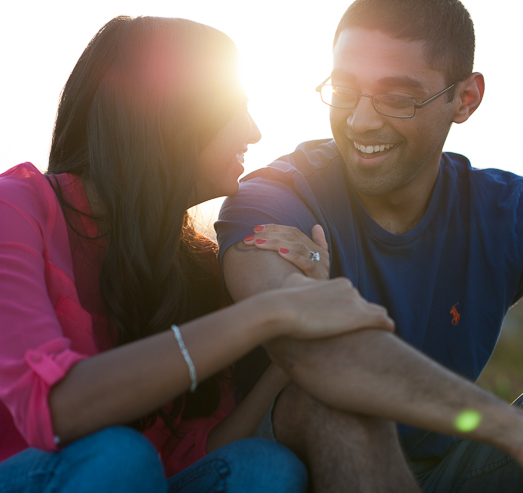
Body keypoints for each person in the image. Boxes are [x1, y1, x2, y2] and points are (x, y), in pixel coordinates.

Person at [215, 0, 523, 492]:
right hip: (297, 466)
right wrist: (517, 432)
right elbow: (314, 353)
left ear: (465, 99)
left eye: (398, 98)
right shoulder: (276, 199)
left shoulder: (508, 211)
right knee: (337, 405)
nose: (360, 121)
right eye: (345, 90)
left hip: (444, 473)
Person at [0, 15, 395, 493]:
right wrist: (266, 312)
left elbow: (198, 454)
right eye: (237, 106)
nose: (254, 130)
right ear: (169, 111)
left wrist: (291, 333)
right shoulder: (15, 210)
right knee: (120, 458)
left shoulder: (192, 267)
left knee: (265, 466)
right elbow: (53, 407)